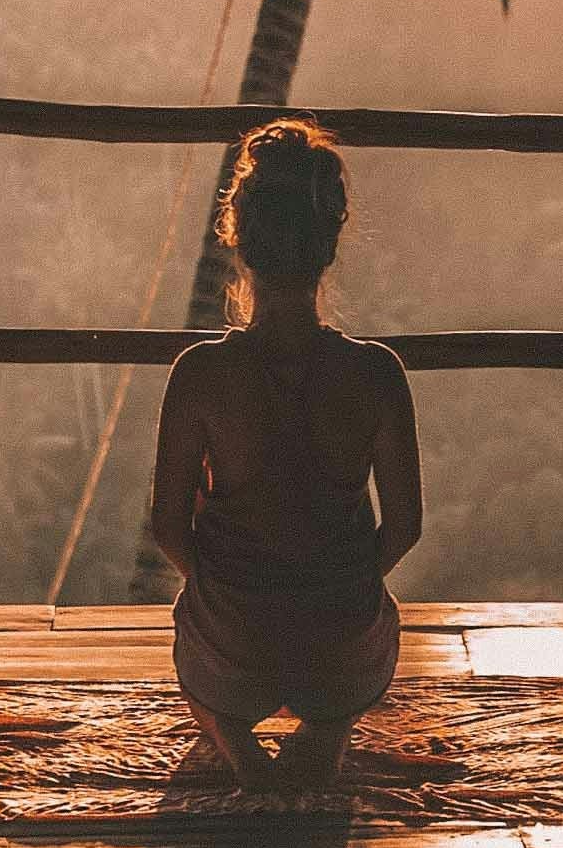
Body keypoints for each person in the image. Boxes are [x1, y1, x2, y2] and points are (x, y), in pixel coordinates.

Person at [148, 117, 423, 795]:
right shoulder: (377, 374)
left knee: (200, 653)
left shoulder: (200, 375)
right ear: (328, 243)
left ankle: (238, 746)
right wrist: (337, 582)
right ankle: (328, 728)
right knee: (354, 639)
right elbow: (405, 525)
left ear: (237, 238)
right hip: (341, 647)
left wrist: (227, 588)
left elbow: (166, 527)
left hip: (234, 646)